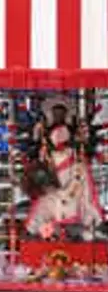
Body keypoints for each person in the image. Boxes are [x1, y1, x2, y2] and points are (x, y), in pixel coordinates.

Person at [24, 97, 104, 240]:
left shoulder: (73, 130)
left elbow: (80, 146)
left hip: (70, 165)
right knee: (47, 198)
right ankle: (42, 228)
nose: (58, 115)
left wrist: (78, 142)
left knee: (81, 190)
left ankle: (85, 224)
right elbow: (40, 148)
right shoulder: (44, 129)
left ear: (66, 114)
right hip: (53, 166)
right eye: (56, 112)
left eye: (61, 112)